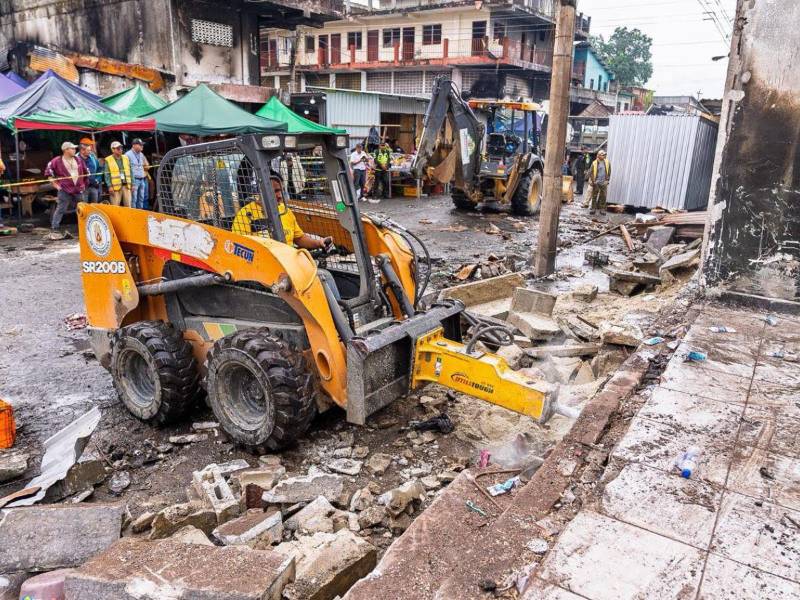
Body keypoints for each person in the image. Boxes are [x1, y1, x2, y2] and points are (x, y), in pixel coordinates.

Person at [232, 173, 332, 251]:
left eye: (281, 191)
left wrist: (319, 242)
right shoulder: (245, 214)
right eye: (275, 191)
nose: (280, 195)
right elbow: (239, 246)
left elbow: (299, 238)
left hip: (288, 262)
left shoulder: (285, 211)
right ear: (262, 190)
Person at [45, 141, 88, 232]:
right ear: (66, 150)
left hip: (78, 189)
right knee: (61, 209)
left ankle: (85, 225)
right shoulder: (56, 161)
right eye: (72, 148)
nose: (74, 150)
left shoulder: (78, 159)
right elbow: (48, 173)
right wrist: (56, 186)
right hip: (64, 189)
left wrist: (83, 184)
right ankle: (54, 227)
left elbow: (85, 172)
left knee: (82, 208)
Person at [104, 141, 133, 207]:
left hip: (126, 184)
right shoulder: (108, 160)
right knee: (115, 206)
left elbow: (131, 171)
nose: (120, 150)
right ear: (113, 150)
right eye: (118, 148)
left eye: (121, 148)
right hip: (115, 187)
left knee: (128, 205)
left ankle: (127, 217)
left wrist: (133, 183)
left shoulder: (126, 158)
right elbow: (107, 174)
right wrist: (110, 186)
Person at [125, 138, 150, 209]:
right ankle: (134, 215)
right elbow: (126, 169)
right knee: (134, 199)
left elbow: (146, 165)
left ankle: (140, 213)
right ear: (134, 145)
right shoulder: (127, 155)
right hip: (134, 180)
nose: (142, 146)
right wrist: (131, 182)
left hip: (142, 179)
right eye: (140, 145)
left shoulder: (141, 154)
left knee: (141, 198)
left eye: (142, 145)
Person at [79, 138, 102, 204]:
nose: (91, 149)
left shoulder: (93, 157)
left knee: (94, 206)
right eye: (90, 146)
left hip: (93, 187)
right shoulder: (76, 158)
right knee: (83, 207)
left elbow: (99, 170)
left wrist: (97, 180)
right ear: (82, 150)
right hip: (83, 189)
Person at [588, 150, 611, 215]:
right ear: (598, 155)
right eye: (602, 155)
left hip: (604, 182)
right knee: (594, 196)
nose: (604, 156)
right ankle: (593, 208)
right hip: (596, 182)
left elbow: (609, 172)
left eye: (604, 155)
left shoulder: (607, 162)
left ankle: (602, 209)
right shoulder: (594, 163)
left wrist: (607, 180)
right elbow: (591, 172)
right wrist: (593, 181)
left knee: (603, 196)